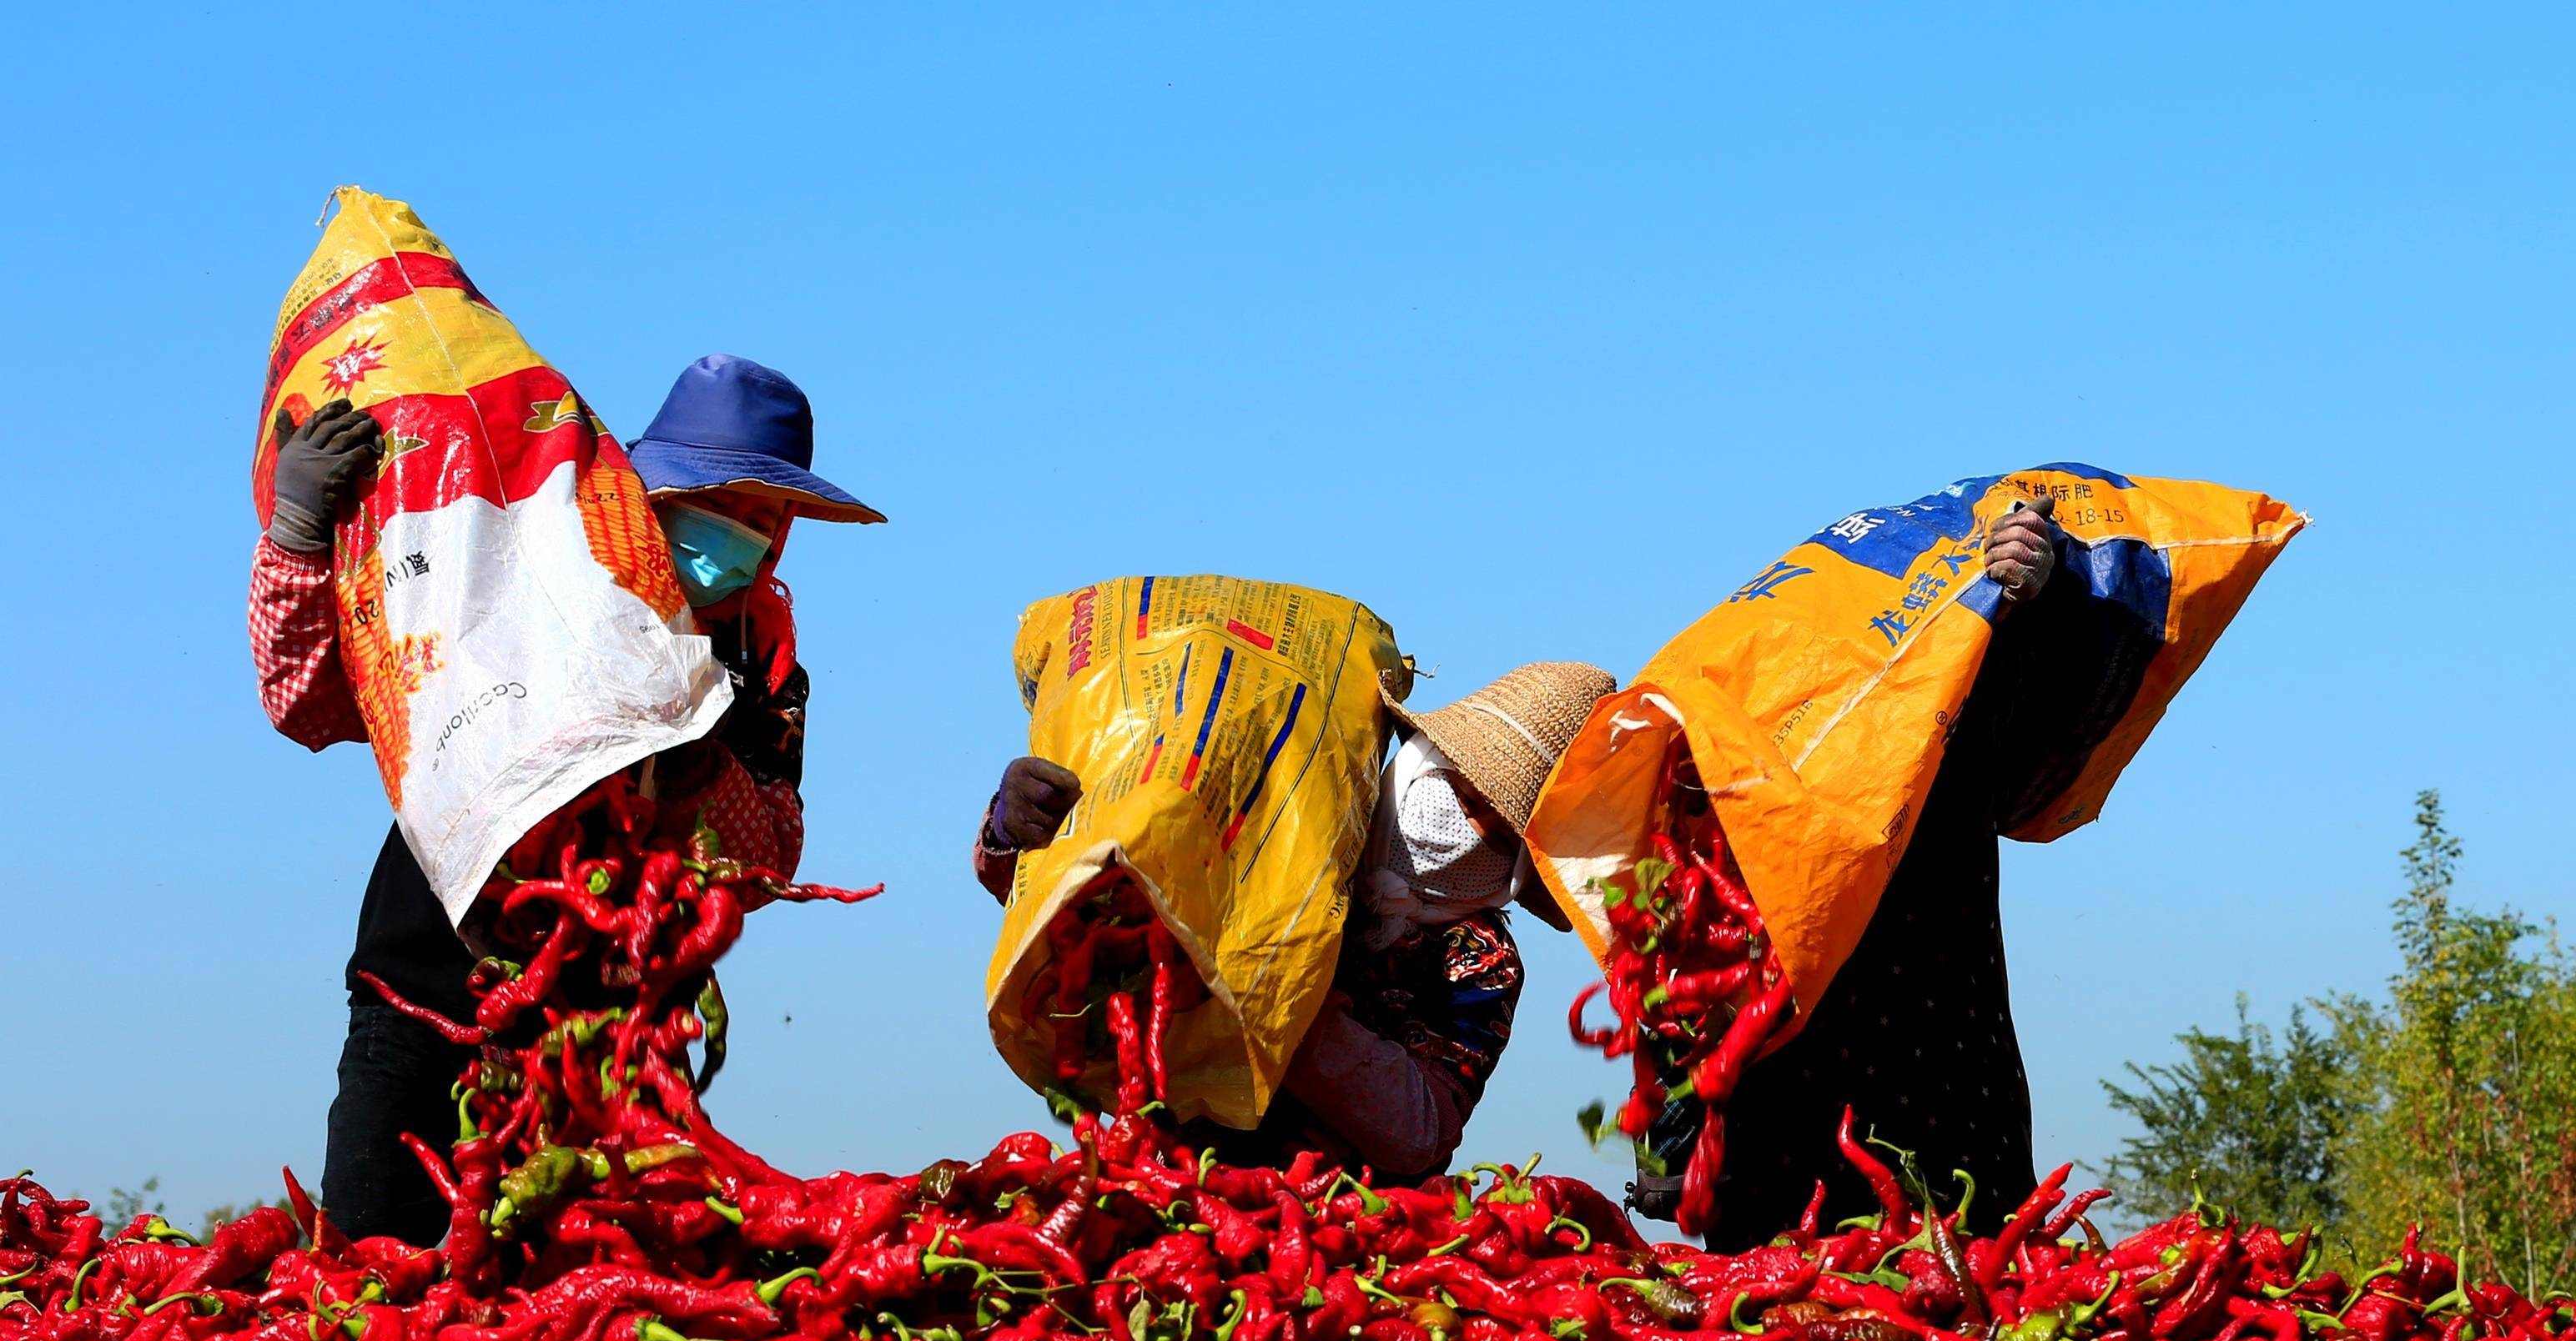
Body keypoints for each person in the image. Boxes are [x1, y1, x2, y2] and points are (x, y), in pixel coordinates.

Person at [253, 354, 880, 1243]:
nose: (738, 536)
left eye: (761, 518)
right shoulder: (514, 583)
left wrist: (696, 753)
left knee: (556, 1317)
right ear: (645, 494)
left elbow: (772, 853)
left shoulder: (759, 670)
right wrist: (299, 534)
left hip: (604, 1053)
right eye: (716, 506)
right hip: (424, 992)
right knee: (373, 1268)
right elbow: (312, 703)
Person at [1643, 496, 2101, 1248]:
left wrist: (2039, 591)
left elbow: (2045, 746)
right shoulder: (1745, 756)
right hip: (1779, 1129)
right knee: (1784, 1319)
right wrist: (1671, 1139)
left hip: (1946, 1083)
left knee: (1960, 1301)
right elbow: (1675, 958)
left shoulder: (1951, 697)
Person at [974, 661, 1615, 1181]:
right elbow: (1091, 901)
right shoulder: (1299, 813)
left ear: (1524, 868)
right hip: (1167, 1167)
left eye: (1500, 834)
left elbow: (1420, 1131)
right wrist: (1020, 828)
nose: (1467, 834)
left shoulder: (1476, 958)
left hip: (1336, 1217)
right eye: (1464, 793)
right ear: (1420, 760)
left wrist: (1285, 1001)